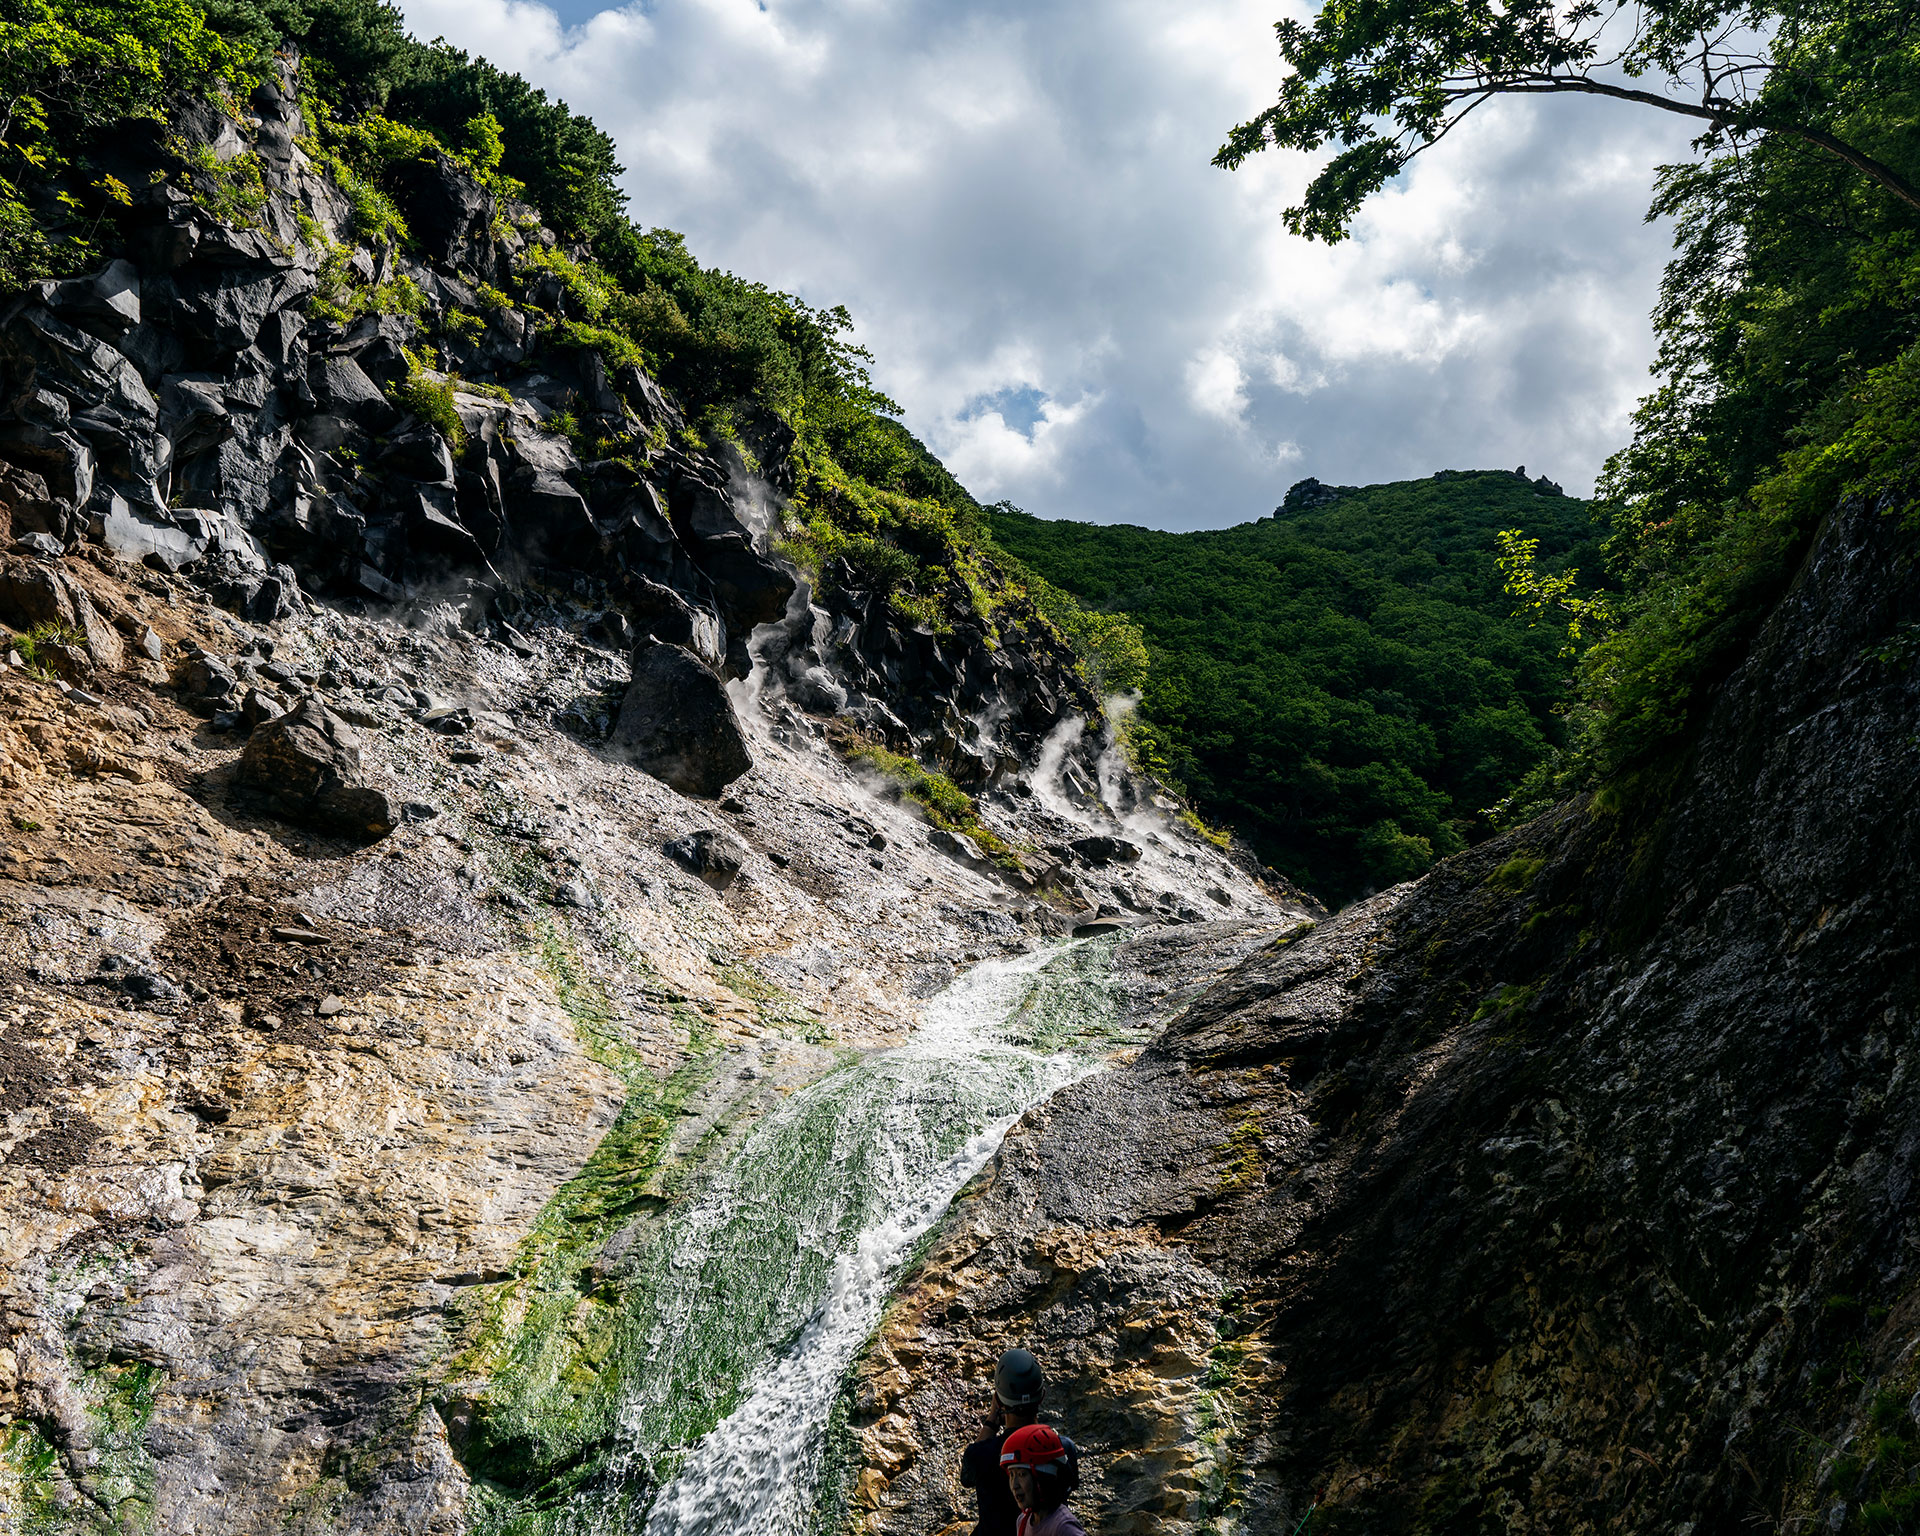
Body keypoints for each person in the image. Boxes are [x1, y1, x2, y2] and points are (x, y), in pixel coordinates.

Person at [960, 1349, 1047, 1536]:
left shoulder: (982, 1455)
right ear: (1042, 1397)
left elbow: (966, 1479)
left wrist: (991, 1421)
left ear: (998, 1401)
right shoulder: (1062, 1450)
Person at [1000, 1423, 1086, 1536]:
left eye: (1021, 1474)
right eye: (1011, 1475)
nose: (1014, 1485)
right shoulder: (1023, 1522)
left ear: (1043, 1477)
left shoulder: (1064, 1528)